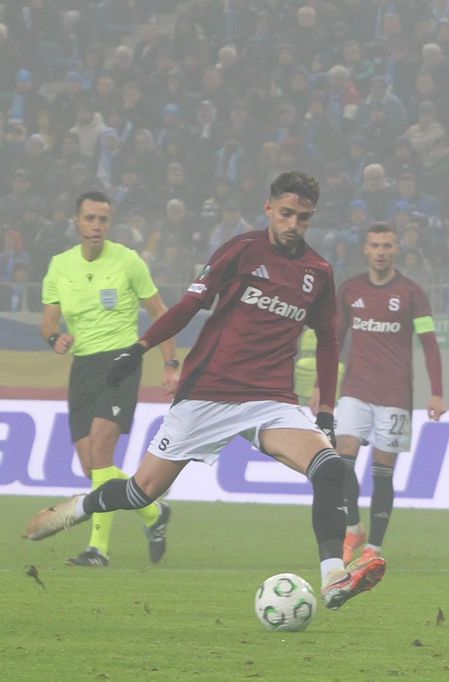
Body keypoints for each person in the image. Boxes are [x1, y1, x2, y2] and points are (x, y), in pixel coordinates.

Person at [26, 172, 385, 612]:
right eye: (286, 213)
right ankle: (80, 507)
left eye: (303, 217)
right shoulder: (241, 250)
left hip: (270, 400)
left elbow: (329, 340)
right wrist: (141, 348)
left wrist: (326, 410)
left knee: (328, 469)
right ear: (269, 208)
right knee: (142, 492)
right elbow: (188, 306)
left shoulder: (317, 272)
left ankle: (333, 576)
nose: (293, 224)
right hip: (206, 394)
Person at [38, 190, 177, 567]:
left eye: (103, 219)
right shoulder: (59, 265)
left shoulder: (128, 262)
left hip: (120, 364)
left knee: (101, 451)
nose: (96, 226)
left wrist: (170, 363)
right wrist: (55, 336)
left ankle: (98, 549)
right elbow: (49, 318)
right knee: (91, 467)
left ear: (109, 224)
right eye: (90, 219)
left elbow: (161, 312)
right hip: (82, 367)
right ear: (77, 222)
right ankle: (153, 513)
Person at [316, 222, 447, 563]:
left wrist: (437, 393)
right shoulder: (350, 290)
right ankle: (353, 528)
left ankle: (373, 548)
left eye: (387, 246)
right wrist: (323, 387)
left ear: (396, 250)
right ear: (365, 249)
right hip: (355, 390)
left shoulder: (411, 294)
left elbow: (429, 345)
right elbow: (334, 340)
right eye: (375, 245)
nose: (380, 252)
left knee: (382, 471)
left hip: (394, 395)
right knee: (340, 458)